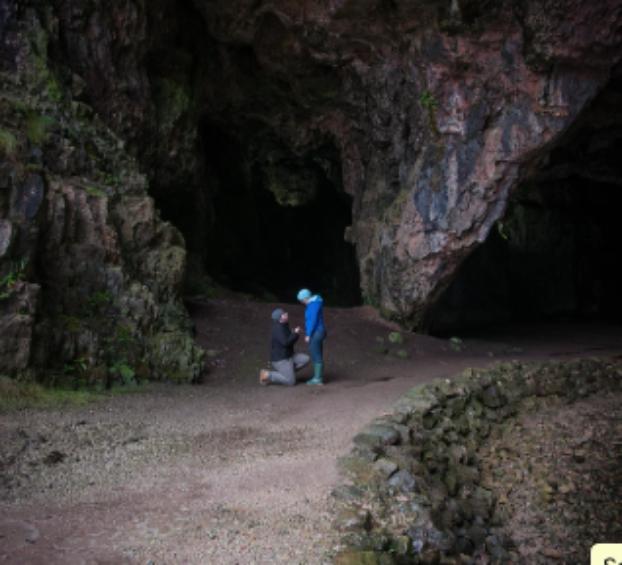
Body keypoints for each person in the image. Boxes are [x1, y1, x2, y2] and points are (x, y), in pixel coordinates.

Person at [259, 308, 310, 386]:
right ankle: (267, 374)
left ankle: (288, 373)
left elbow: (289, 340)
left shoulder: (284, 325)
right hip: (281, 359)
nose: (286, 314)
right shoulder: (278, 328)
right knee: (291, 382)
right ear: (280, 318)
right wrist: (295, 333)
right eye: (284, 314)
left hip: (289, 356)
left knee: (306, 359)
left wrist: (294, 333)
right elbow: (286, 343)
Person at [297, 288, 327, 385]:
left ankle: (318, 379)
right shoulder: (314, 304)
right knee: (317, 353)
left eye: (302, 300)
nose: (302, 302)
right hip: (319, 331)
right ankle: (318, 377)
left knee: (315, 353)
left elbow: (312, 321)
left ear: (306, 298)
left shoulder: (313, 305)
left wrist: (308, 335)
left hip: (316, 332)